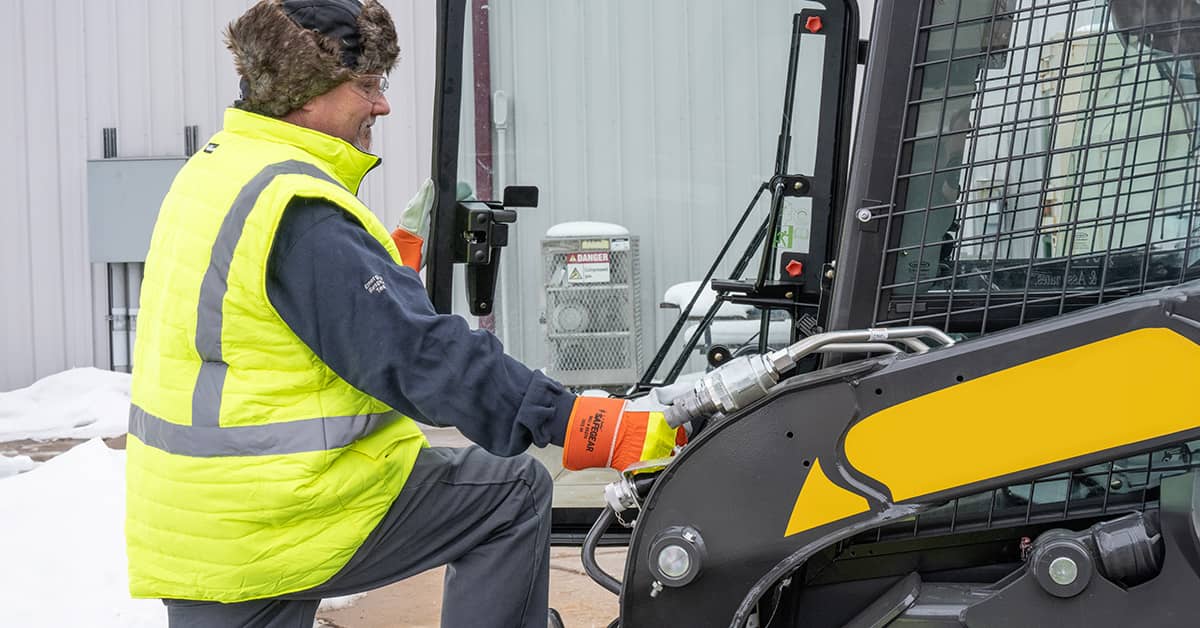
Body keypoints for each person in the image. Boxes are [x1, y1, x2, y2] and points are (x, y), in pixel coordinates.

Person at [123, 1, 682, 627]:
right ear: (304, 94)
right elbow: (420, 357)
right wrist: (578, 420)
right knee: (511, 492)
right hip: (283, 513)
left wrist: (382, 276)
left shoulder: (220, 170)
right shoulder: (299, 209)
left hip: (200, 524)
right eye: (366, 85)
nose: (381, 105)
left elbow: (258, 322)